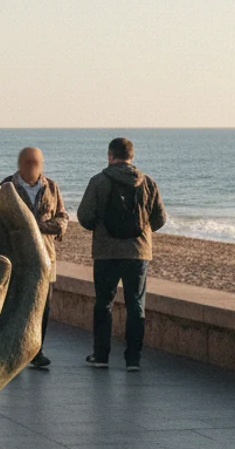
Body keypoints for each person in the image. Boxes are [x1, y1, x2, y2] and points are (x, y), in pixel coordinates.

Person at [77, 137, 168, 372]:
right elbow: (160, 219)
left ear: (110, 155)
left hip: (106, 252)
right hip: (138, 253)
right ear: (132, 156)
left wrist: (102, 227)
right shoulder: (147, 182)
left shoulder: (99, 181)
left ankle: (101, 356)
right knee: (135, 305)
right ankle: (133, 360)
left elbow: (84, 217)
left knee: (104, 304)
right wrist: (141, 231)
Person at [0, 147, 69, 370]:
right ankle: (13, 351)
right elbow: (1, 220)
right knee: (16, 303)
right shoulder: (7, 186)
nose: (31, 165)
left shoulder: (52, 186)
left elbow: (62, 217)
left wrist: (39, 227)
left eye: (35, 162)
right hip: (17, 256)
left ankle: (37, 351)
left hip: (46, 256)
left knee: (44, 306)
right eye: (27, 161)